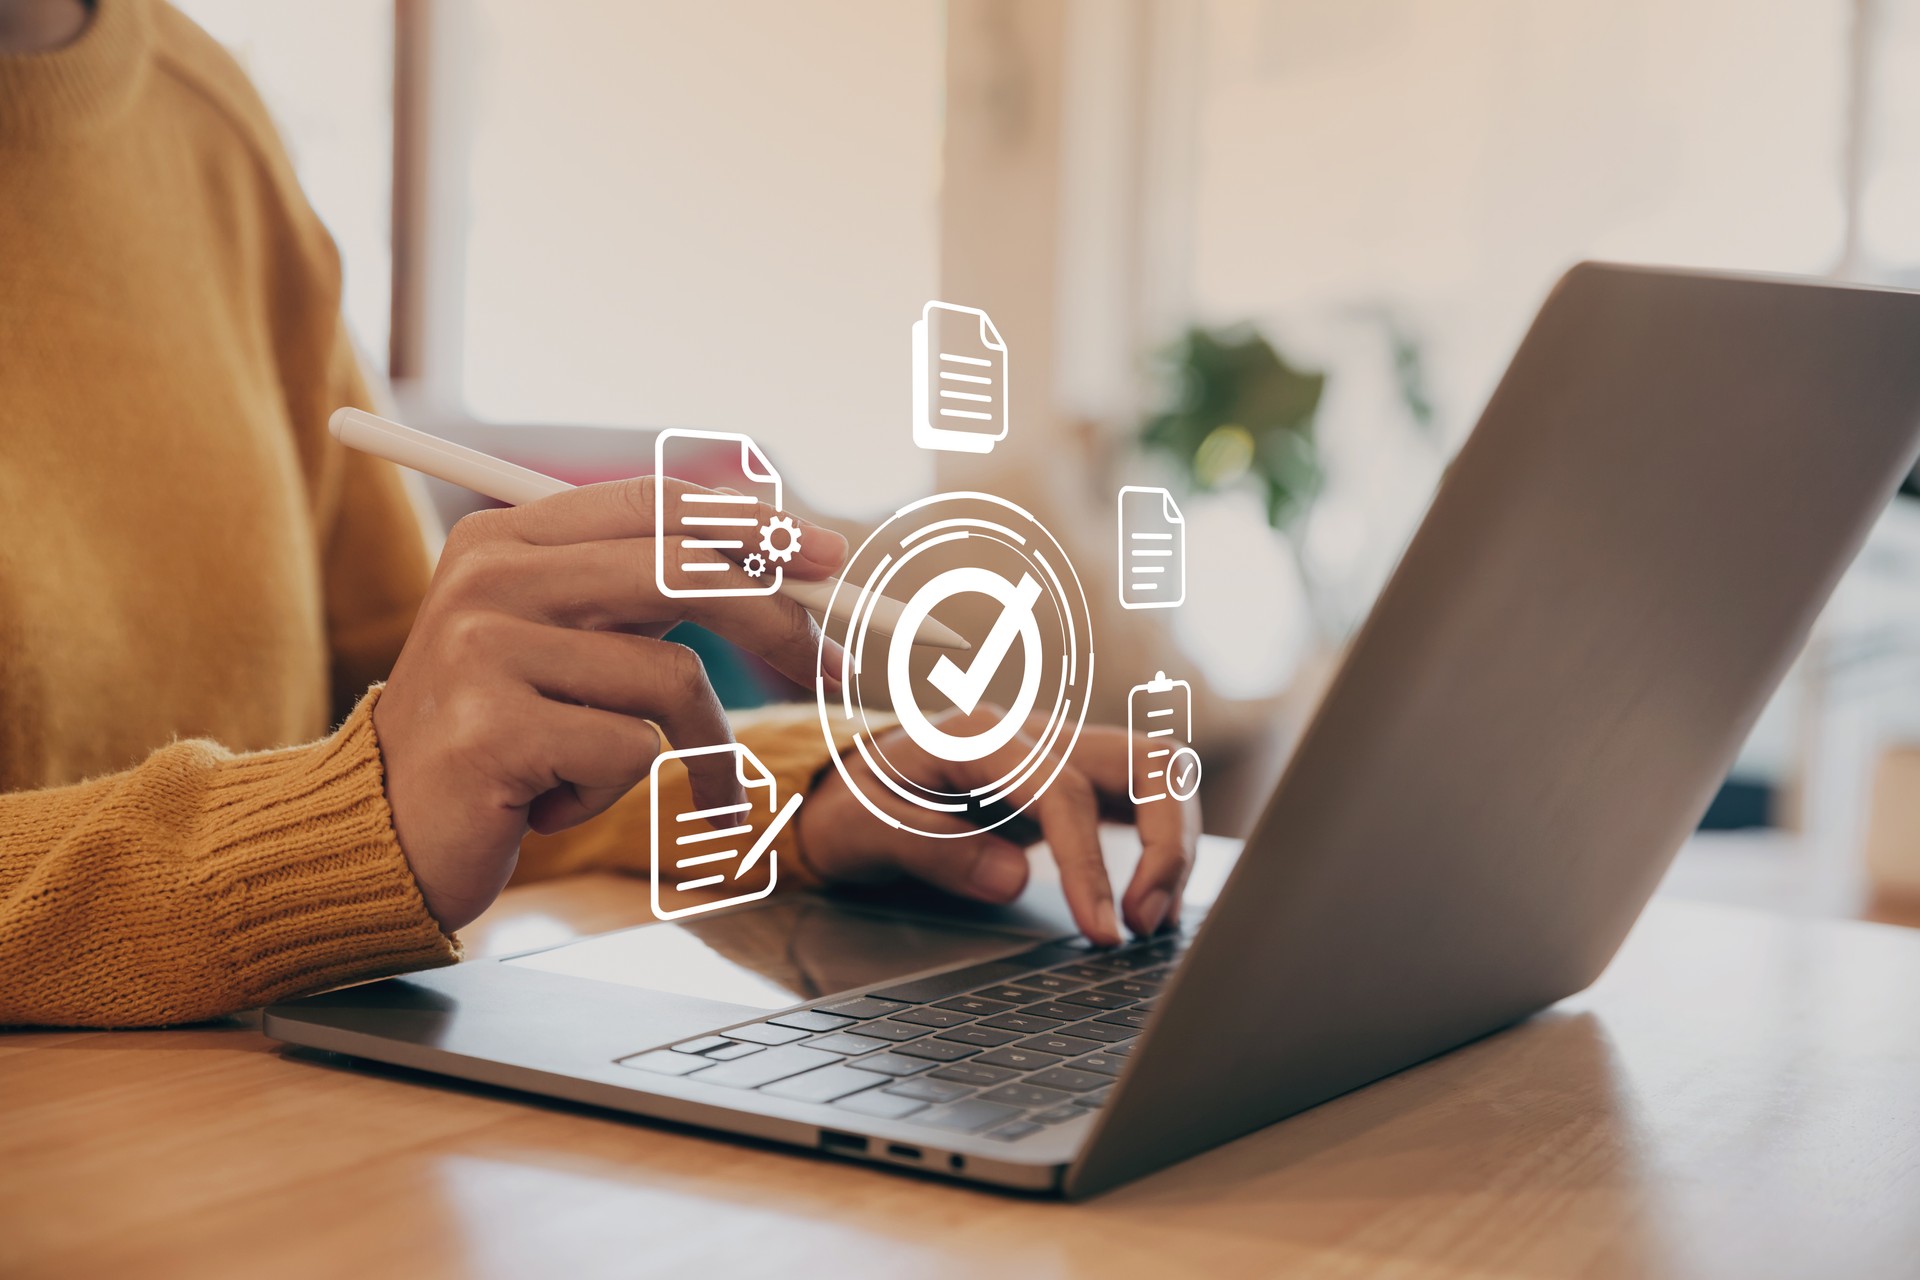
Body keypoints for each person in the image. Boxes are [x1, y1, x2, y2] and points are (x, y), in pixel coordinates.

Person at [0, 0, 1197, 1027]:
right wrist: (337, 827)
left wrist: (822, 788)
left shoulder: (208, 127)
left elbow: (425, 764)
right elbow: (354, 811)